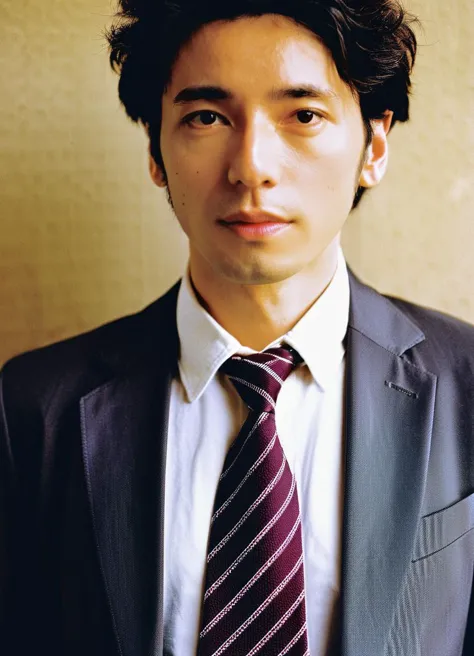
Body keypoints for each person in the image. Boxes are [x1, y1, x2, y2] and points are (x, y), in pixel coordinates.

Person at [1, 1, 474, 654]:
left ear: (375, 144)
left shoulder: (466, 383)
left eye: (303, 115)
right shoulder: (33, 408)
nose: (252, 166)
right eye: (206, 117)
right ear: (156, 152)